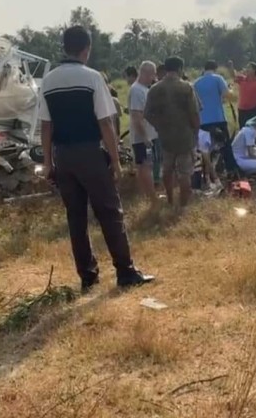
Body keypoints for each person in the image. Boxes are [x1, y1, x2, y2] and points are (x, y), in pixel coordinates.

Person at [38, 25, 154, 291]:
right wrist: (115, 159)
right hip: (89, 151)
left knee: (76, 217)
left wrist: (47, 163)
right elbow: (105, 122)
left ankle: (88, 276)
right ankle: (125, 271)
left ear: (64, 47)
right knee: (110, 211)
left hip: (62, 155)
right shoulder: (92, 78)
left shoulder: (49, 80)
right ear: (86, 49)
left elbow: (46, 126)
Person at [145, 57, 200, 208]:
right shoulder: (187, 87)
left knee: (167, 170)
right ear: (180, 69)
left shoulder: (154, 89)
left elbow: (147, 114)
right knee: (184, 173)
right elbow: (194, 114)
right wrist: (195, 131)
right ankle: (183, 205)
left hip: (165, 137)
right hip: (185, 136)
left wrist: (159, 126)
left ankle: (170, 199)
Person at [193, 60, 233, 184]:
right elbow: (227, 95)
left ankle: (207, 176)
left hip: (202, 121)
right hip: (218, 118)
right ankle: (231, 171)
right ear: (215, 68)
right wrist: (231, 89)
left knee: (205, 150)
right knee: (225, 147)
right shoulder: (218, 78)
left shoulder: (196, 82)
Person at [128, 61, 159, 203]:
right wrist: (145, 137)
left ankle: (145, 196)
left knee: (144, 166)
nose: (154, 78)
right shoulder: (136, 90)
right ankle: (152, 198)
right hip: (142, 137)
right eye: (153, 74)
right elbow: (136, 116)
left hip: (147, 136)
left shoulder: (144, 89)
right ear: (146, 73)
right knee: (145, 166)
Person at [235, 62, 256, 128]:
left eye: (249, 67)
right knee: (243, 129)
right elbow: (233, 76)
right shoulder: (242, 79)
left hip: (254, 110)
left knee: (253, 130)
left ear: (254, 70)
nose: (247, 69)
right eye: (247, 67)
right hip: (242, 110)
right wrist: (231, 66)